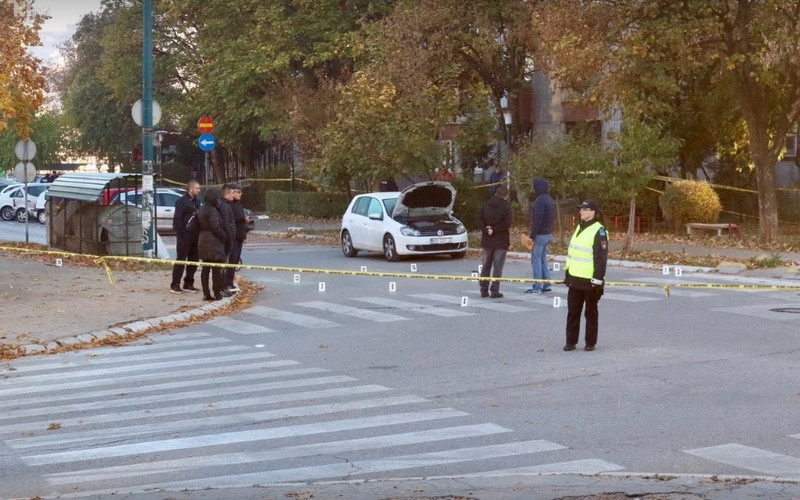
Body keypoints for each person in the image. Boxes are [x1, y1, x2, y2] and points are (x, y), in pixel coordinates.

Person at [563, 200, 609, 351]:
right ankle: (571, 342)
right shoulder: (579, 227)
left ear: (593, 212)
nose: (581, 212)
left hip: (590, 281)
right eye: (580, 209)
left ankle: (590, 343)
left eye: (584, 209)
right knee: (573, 312)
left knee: (590, 312)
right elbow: (573, 253)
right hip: (575, 278)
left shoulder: (599, 230)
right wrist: (568, 273)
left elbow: (600, 258)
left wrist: (597, 280)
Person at [476, 184, 513, 298]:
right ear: (505, 196)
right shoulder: (506, 207)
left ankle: (483, 289)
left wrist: (487, 230)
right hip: (501, 241)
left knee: (486, 265)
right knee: (497, 267)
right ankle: (494, 290)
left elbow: (478, 220)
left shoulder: (486, 205)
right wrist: (495, 230)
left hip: (487, 241)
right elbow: (507, 223)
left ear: (495, 194)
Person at [197, 188, 232, 300]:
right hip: (213, 242)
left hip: (202, 240)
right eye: (217, 197)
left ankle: (206, 293)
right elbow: (215, 227)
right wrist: (224, 236)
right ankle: (217, 293)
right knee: (216, 269)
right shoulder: (212, 210)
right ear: (213, 198)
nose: (218, 200)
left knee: (205, 268)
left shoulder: (202, 208)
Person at [170, 180, 201, 293]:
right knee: (181, 259)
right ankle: (175, 284)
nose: (199, 190)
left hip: (195, 235)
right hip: (184, 235)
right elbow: (177, 218)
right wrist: (182, 233)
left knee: (194, 260)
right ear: (191, 188)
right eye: (197, 188)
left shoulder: (197, 202)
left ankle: (189, 283)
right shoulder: (182, 201)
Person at [526, 177, 556, 294]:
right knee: (543, 259)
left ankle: (537, 287)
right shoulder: (549, 199)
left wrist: (532, 235)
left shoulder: (539, 200)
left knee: (536, 260)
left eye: (534, 187)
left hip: (540, 234)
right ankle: (547, 284)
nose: (533, 189)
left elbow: (537, 220)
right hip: (548, 233)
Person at [224, 183, 251, 293]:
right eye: (238, 192)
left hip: (239, 236)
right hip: (232, 237)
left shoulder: (238, 204)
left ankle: (231, 281)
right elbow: (230, 221)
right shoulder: (228, 205)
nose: (240, 194)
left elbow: (240, 223)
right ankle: (228, 282)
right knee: (231, 259)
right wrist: (243, 220)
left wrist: (244, 235)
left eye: (241, 192)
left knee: (235, 260)